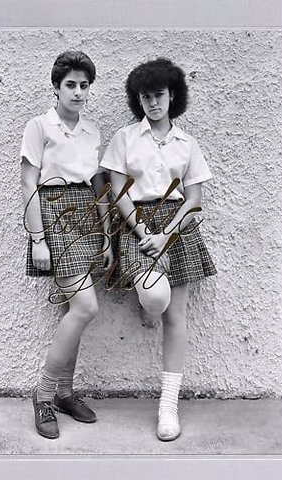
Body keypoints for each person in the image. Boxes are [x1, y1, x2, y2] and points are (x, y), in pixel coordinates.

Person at [100, 57, 217, 442]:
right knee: (154, 296)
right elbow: (118, 192)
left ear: (173, 96)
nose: (153, 103)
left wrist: (166, 235)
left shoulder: (187, 143)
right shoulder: (124, 138)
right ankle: (149, 307)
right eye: (145, 97)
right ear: (137, 100)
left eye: (159, 95)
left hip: (177, 224)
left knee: (175, 315)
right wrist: (143, 232)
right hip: (136, 223)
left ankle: (168, 406)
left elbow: (194, 199)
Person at [20, 51, 113, 439]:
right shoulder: (40, 126)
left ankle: (64, 392)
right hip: (55, 214)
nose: (77, 92)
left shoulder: (92, 132)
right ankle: (43, 395)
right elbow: (29, 183)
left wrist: (107, 236)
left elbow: (98, 186)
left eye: (84, 85)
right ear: (56, 88)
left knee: (73, 310)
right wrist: (37, 239)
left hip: (87, 216)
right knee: (86, 307)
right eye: (70, 85)